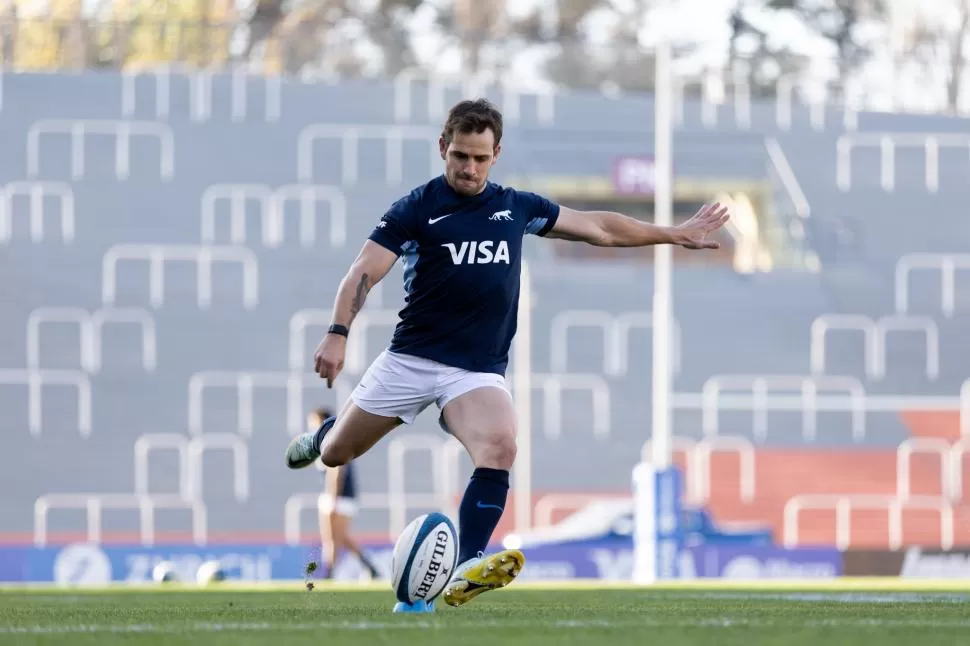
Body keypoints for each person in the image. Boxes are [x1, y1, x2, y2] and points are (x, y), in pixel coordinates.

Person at [285, 98, 729, 611]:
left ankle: (469, 563)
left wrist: (674, 233)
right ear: (442, 149)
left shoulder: (516, 207)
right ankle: (324, 433)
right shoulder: (416, 207)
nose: (468, 168)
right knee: (339, 454)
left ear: (496, 154)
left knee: (500, 446)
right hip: (411, 360)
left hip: (475, 371)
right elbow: (364, 269)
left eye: (479, 157)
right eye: (458, 156)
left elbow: (600, 227)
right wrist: (338, 332)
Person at [308, 406, 381, 581]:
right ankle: (369, 566)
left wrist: (333, 498)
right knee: (340, 537)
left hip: (338, 497)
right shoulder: (328, 441)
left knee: (332, 539)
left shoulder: (332, 440)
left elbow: (337, 471)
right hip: (338, 497)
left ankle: (329, 573)